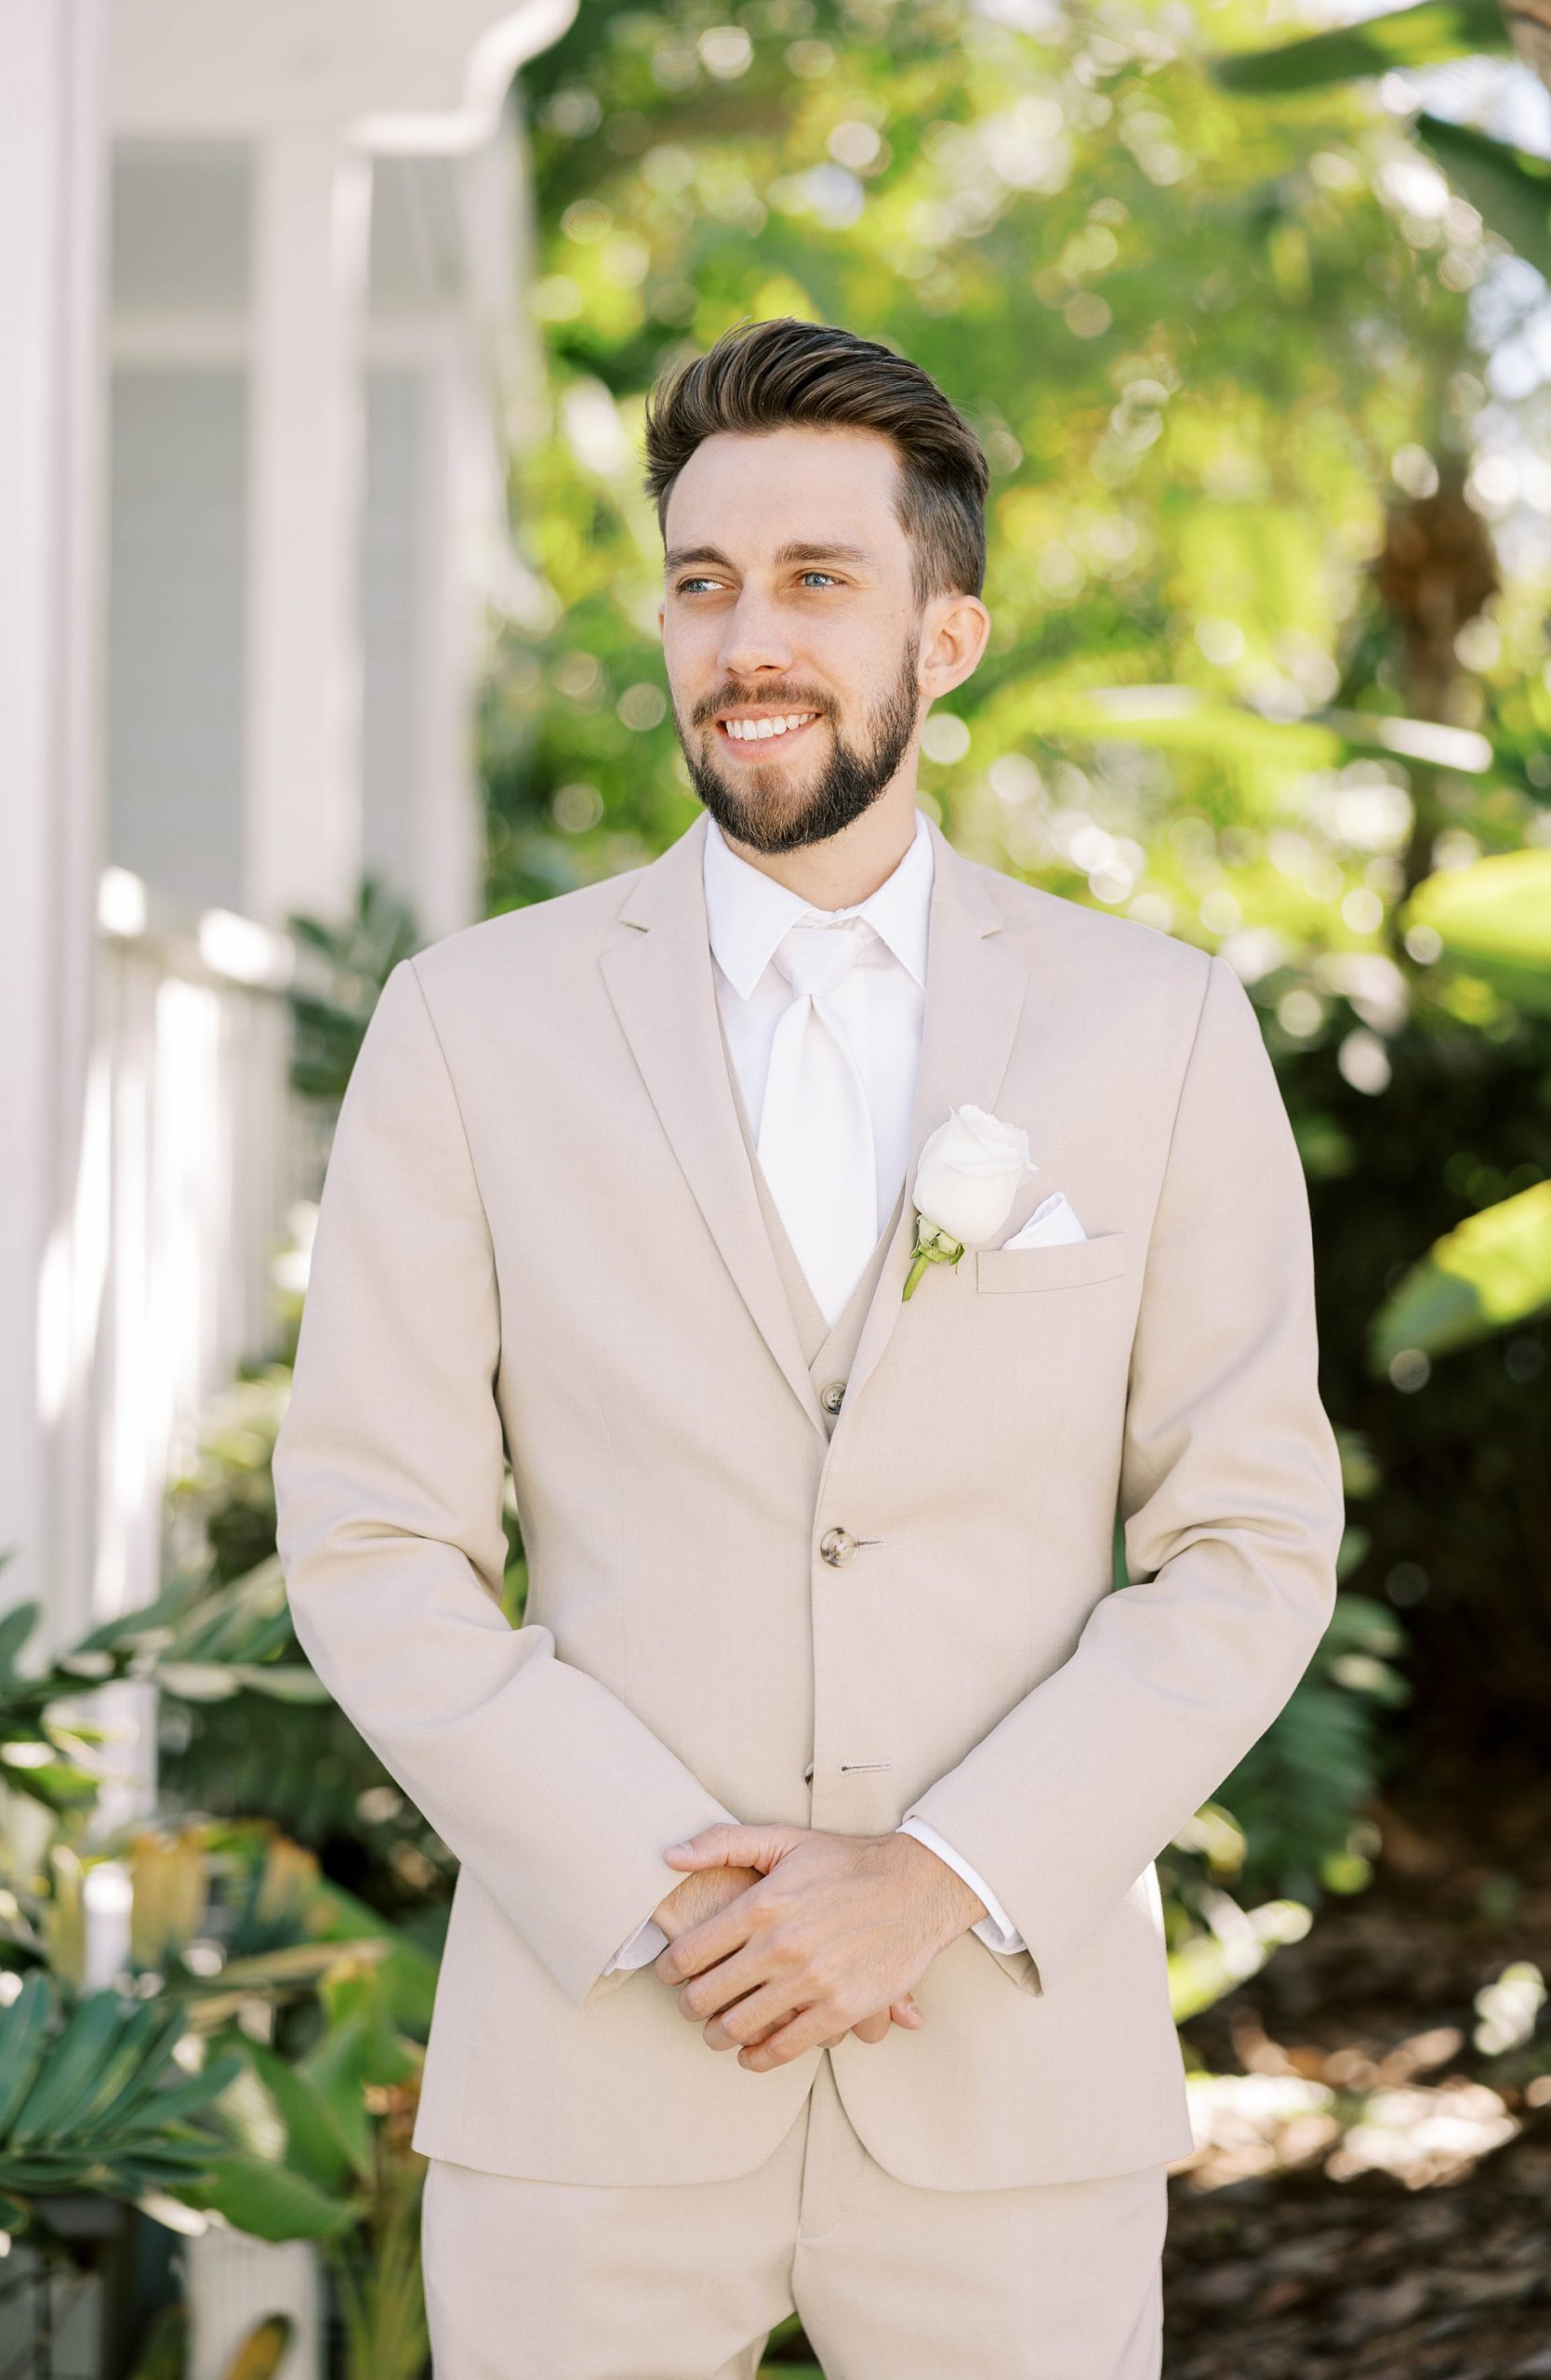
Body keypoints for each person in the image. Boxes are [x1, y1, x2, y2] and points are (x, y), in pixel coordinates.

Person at [271, 315, 1344, 2378]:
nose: (743, 638)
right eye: (701, 581)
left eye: (813, 579)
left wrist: (936, 1874)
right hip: (590, 2074)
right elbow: (373, 1537)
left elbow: (1243, 1543)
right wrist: (682, 1896)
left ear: (945, 636)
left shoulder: (1157, 1027)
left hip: (1008, 2082)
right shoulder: (466, 1025)